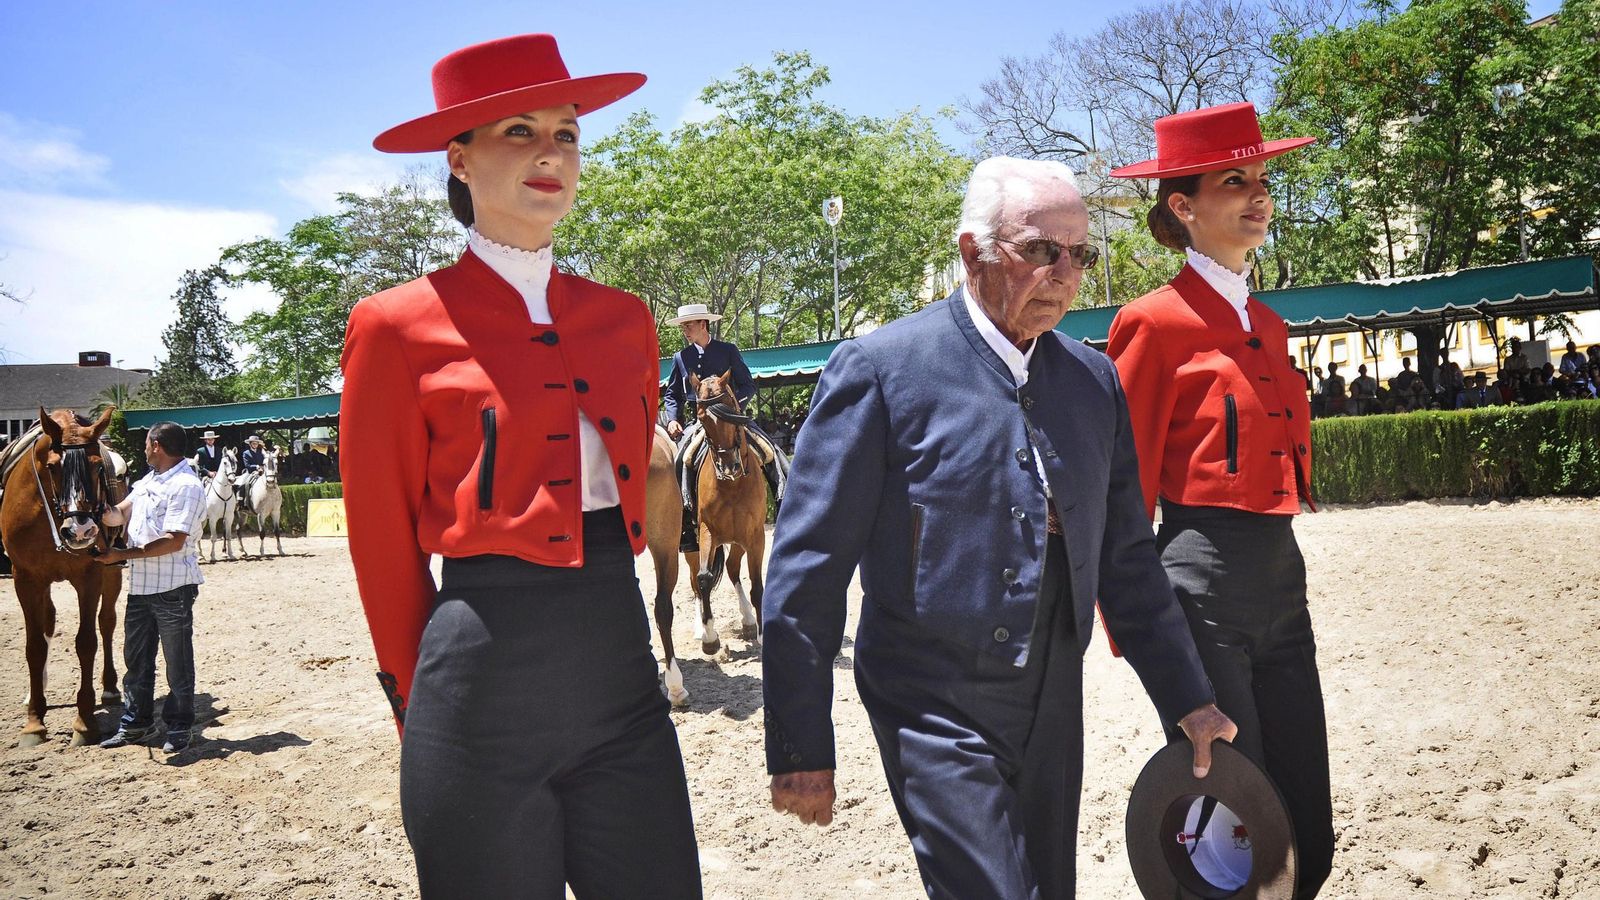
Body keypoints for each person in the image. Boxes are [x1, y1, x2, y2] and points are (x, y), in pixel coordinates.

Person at [761, 156, 1234, 898]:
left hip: (1055, 695)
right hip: (930, 700)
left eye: (1080, 254)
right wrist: (799, 741)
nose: (1066, 273)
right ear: (971, 251)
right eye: (1041, 250)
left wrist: (1188, 697)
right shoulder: (880, 371)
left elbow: (1127, 559)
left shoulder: (1092, 380)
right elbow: (806, 569)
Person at [338, 34, 700, 897]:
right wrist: (414, 704)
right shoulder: (392, 325)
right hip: (475, 701)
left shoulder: (627, 321)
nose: (552, 152)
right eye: (518, 131)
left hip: (622, 687)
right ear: (457, 159)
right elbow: (382, 544)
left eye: (567, 133)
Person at [1106, 101, 1335, 897]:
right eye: (1234, 180)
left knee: (1309, 821)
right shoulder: (1151, 323)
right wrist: (1131, 623)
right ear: (1182, 205)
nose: (1258, 194)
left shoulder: (1268, 324)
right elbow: (1122, 486)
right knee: (1244, 816)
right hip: (1197, 586)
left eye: (1263, 178)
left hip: (1283, 579)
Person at [94, 422, 206, 753]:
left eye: (145, 443)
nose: (143, 448)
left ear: (156, 445)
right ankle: (136, 724)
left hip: (173, 586)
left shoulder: (187, 485)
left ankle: (180, 726)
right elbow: (117, 516)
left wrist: (121, 554)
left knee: (177, 662)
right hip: (141, 586)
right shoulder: (147, 482)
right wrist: (91, 510)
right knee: (137, 660)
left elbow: (173, 541)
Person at [661, 303, 787, 550]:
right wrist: (673, 417)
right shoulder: (680, 358)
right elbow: (672, 394)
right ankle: (686, 521)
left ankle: (785, 507)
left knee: (772, 452)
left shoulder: (727, 350)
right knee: (681, 460)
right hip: (701, 422)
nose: (685, 330)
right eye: (683, 326)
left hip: (734, 418)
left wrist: (731, 409)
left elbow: (748, 385)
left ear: (703, 324)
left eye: (688, 325)